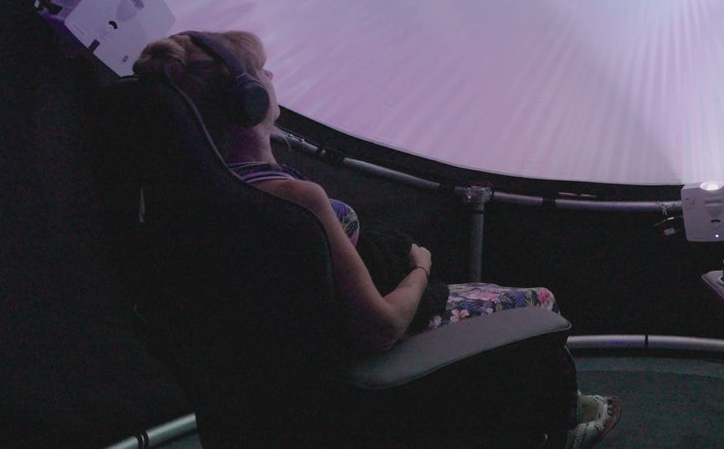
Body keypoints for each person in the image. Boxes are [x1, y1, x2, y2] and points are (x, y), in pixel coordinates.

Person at [132, 30, 621, 448]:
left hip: (277, 389)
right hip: (351, 363)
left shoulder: (185, 200)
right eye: (264, 73)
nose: (273, 80)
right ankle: (559, 428)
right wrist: (420, 266)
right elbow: (380, 327)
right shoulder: (295, 200)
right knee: (538, 305)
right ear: (247, 101)